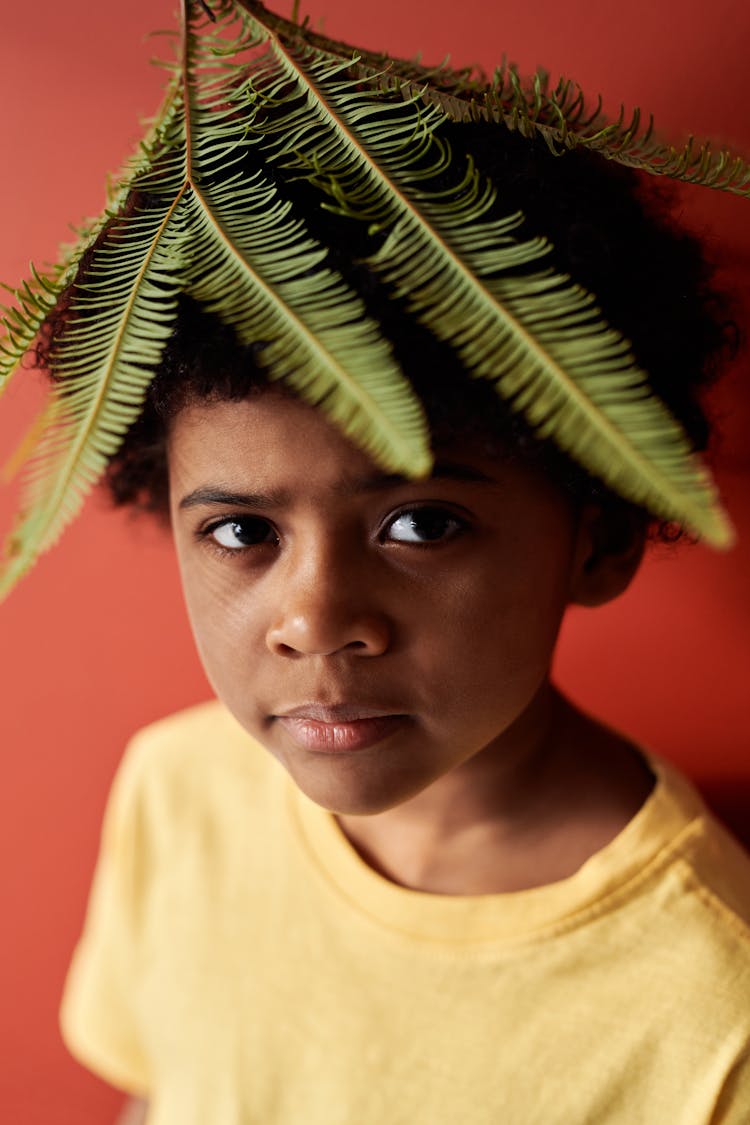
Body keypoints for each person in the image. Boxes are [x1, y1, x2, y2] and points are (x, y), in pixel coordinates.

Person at [2, 2, 750, 1121]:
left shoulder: (713, 1004)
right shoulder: (183, 789)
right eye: (244, 532)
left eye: (422, 525)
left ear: (599, 534)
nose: (315, 619)